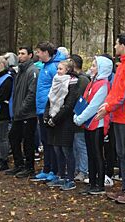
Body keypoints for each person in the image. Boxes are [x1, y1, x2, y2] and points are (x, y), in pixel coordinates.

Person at [96, 33, 125, 204]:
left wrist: (108, 107)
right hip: (117, 114)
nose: (115, 47)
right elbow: (116, 90)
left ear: (123, 45)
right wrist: (107, 106)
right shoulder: (124, 64)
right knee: (121, 154)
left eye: (116, 44)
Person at [74, 55, 113, 195]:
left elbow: (93, 106)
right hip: (87, 123)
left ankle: (100, 185)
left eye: (95, 66)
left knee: (97, 154)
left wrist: (79, 118)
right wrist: (77, 114)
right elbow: (84, 100)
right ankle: (92, 183)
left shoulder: (103, 85)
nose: (91, 68)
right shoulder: (92, 82)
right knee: (91, 154)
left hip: (97, 123)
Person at [32, 42, 66, 182]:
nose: (37, 54)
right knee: (45, 141)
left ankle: (54, 169)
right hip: (41, 109)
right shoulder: (45, 66)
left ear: (46, 52)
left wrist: (51, 108)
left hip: (50, 110)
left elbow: (57, 89)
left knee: (51, 142)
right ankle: (46, 168)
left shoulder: (54, 67)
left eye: (39, 52)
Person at [43, 59, 80, 191]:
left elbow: (69, 105)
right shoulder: (55, 82)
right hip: (53, 121)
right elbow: (50, 100)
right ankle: (60, 174)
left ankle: (70, 178)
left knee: (66, 150)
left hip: (65, 122)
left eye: (61, 69)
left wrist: (56, 118)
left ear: (68, 71)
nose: (58, 71)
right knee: (57, 149)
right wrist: (47, 116)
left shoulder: (72, 84)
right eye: (58, 69)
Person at [7, 46, 39, 178]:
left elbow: (32, 93)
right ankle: (18, 164)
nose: (20, 56)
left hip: (27, 113)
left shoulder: (33, 71)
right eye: (19, 53)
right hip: (18, 112)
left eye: (23, 53)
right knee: (13, 137)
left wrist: (22, 109)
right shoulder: (20, 71)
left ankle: (29, 167)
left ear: (30, 55)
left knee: (28, 141)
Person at [69, 53, 90, 183]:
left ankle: (83, 170)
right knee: (75, 145)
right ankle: (77, 169)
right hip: (73, 117)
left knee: (81, 145)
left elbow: (78, 98)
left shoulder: (82, 80)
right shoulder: (74, 78)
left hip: (80, 117)